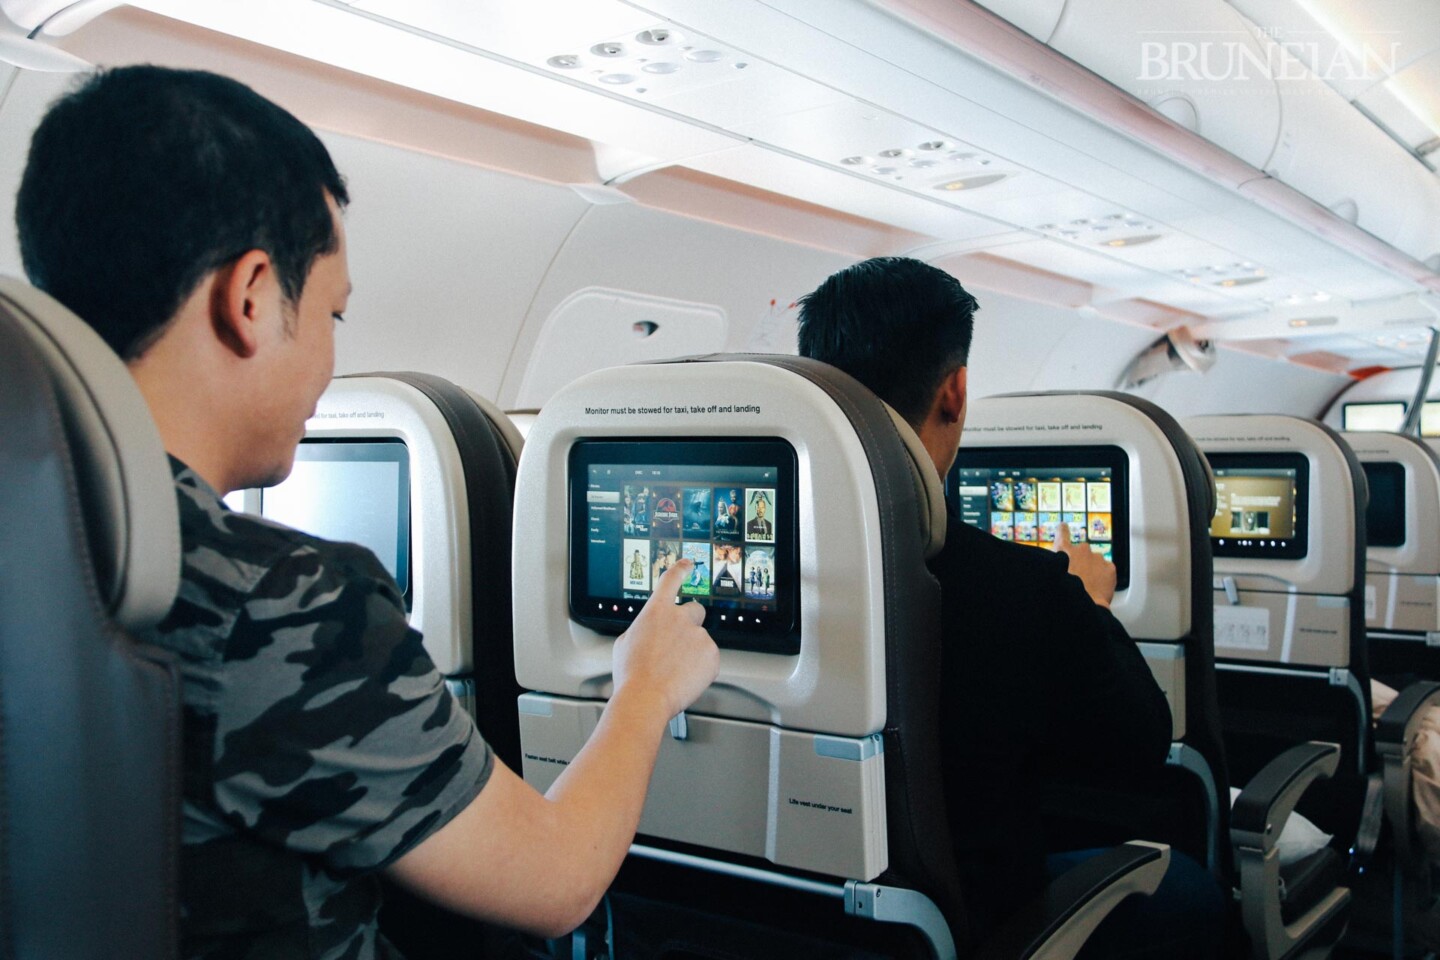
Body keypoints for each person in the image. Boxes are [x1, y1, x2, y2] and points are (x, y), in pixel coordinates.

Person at [16, 66, 719, 960]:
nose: (328, 364)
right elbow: (558, 879)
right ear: (251, 298)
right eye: (335, 315)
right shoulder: (284, 602)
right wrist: (646, 687)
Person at [796, 257, 1222, 958]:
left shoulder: (781, 572)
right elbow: (1144, 749)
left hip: (803, 925)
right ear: (956, 391)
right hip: (973, 920)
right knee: (1186, 889)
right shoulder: (1021, 589)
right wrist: (1088, 605)